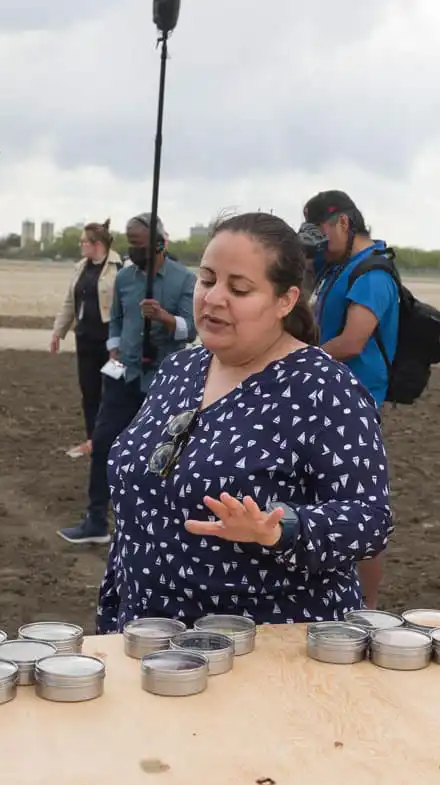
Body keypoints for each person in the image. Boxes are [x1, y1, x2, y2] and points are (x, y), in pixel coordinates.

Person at [96, 212, 393, 632]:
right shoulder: (179, 369)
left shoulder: (324, 389)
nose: (214, 298)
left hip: (263, 647)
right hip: (147, 638)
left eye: (239, 289)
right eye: (207, 280)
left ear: (285, 301)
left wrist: (281, 528)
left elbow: (369, 520)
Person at [58, 213, 196, 545]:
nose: (133, 250)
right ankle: (95, 520)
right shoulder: (124, 278)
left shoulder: (184, 280)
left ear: (159, 243)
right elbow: (117, 320)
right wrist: (114, 347)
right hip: (124, 375)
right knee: (103, 440)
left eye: (139, 244)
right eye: (130, 243)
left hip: (163, 380)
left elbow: (190, 329)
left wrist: (164, 318)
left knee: (159, 453)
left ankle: (157, 525)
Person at [303, 190, 398, 609]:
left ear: (343, 222)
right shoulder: (338, 267)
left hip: (354, 407)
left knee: (360, 511)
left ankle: (368, 607)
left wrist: (295, 361)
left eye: (320, 232)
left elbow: (352, 342)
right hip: (324, 398)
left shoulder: (372, 274)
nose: (319, 243)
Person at [50, 220, 124, 458]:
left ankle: (113, 439)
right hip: (85, 339)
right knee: (89, 391)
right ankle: (93, 440)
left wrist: (122, 341)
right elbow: (69, 302)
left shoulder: (120, 267)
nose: (80, 245)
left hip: (113, 344)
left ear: (97, 244)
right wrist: (58, 332)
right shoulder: (80, 267)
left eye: (84, 241)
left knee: (112, 392)